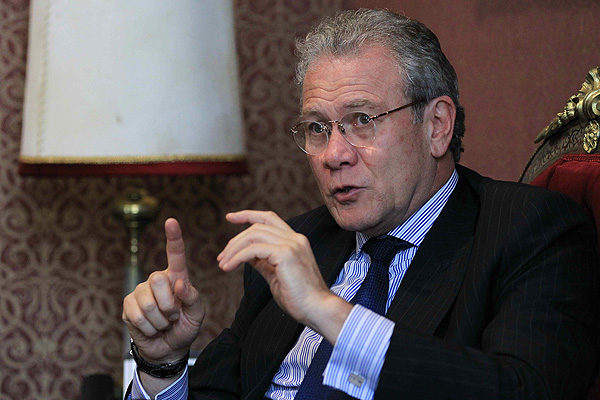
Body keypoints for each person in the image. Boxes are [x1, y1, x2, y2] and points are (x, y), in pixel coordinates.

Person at [122, 9, 600, 400]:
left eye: (362, 120)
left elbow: (524, 389)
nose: (334, 154)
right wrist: (162, 366)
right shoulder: (303, 242)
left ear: (437, 125)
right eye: (317, 128)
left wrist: (326, 310)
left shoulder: (528, 229)